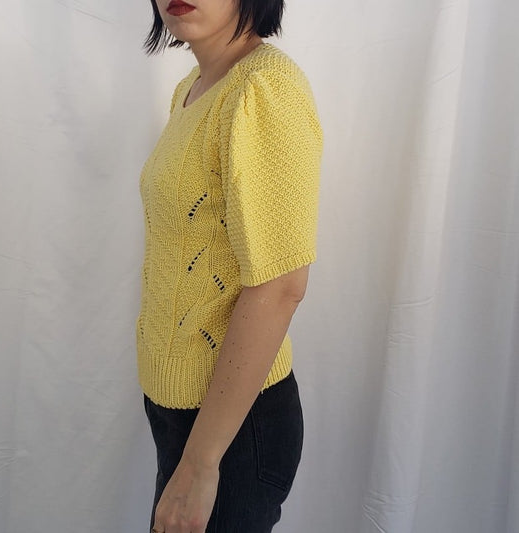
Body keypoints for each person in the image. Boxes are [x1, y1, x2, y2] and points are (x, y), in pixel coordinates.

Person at [137, 1, 323, 531]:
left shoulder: (262, 89)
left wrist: (200, 463)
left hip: (233, 430)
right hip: (181, 413)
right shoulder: (194, 88)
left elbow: (280, 285)